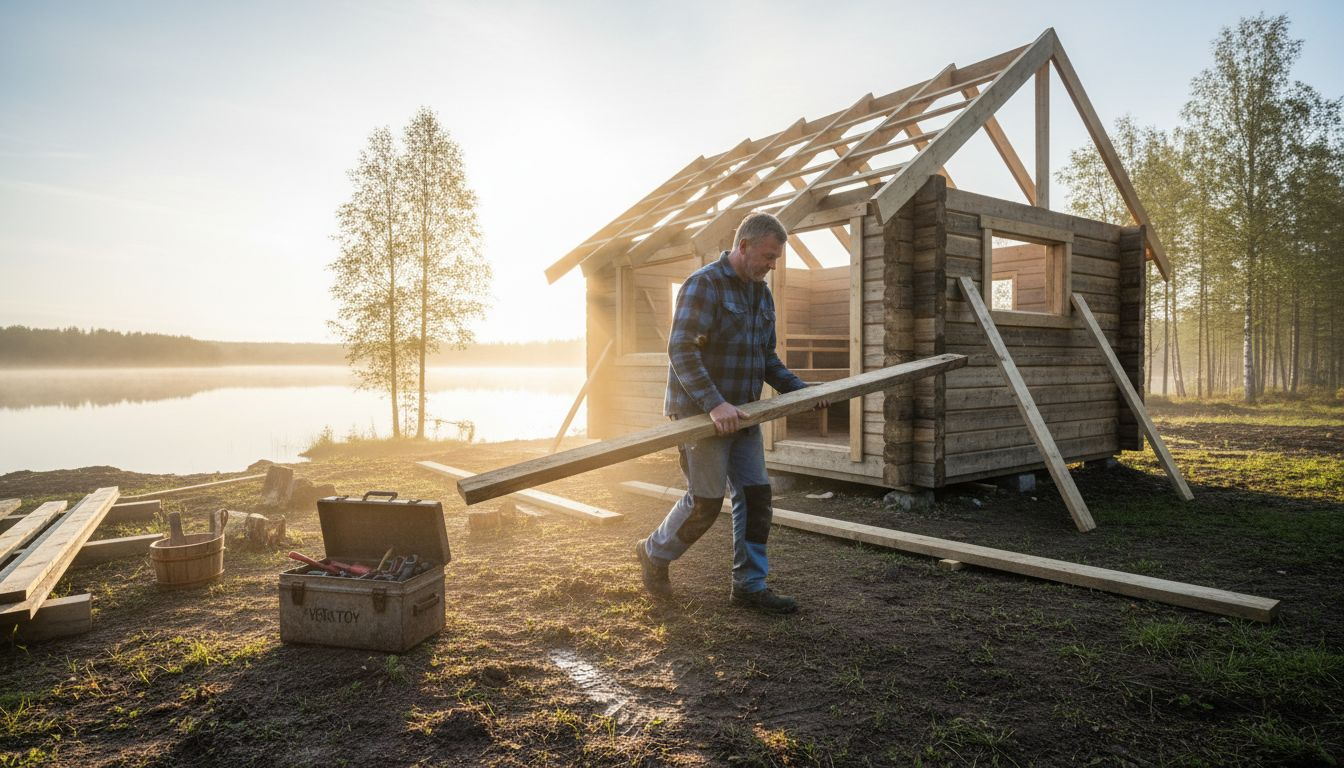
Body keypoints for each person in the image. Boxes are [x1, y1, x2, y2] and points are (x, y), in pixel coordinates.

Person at [635, 211, 823, 613]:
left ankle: (749, 585)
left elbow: (766, 358)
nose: (773, 265)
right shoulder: (704, 285)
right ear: (744, 246)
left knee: (756, 496)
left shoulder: (761, 293)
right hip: (699, 414)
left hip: (744, 415)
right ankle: (653, 554)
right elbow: (681, 349)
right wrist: (714, 403)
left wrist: (801, 391)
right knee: (704, 501)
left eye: (776, 259)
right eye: (769, 256)